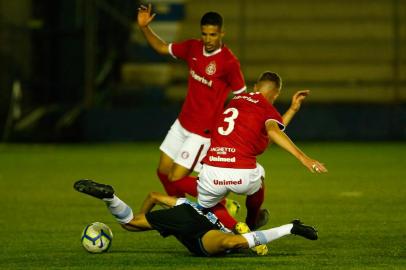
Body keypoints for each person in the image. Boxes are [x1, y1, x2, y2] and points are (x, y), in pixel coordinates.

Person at [137, 4, 246, 200]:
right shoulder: (192, 47)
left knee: (175, 177)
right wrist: (145, 27)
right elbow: (162, 47)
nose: (208, 39)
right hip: (182, 123)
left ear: (222, 33)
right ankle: (183, 211)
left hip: (202, 132)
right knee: (163, 172)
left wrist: (235, 131)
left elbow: (241, 97)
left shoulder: (229, 63)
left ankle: (221, 202)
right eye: (204, 34)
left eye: (213, 35)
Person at [197, 71, 328, 230]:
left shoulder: (235, 101)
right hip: (242, 176)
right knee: (259, 175)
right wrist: (303, 158)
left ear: (255, 87)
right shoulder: (266, 109)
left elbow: (267, 138)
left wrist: (292, 109)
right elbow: (273, 131)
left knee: (206, 207)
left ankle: (231, 228)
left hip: (211, 171)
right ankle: (252, 222)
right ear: (277, 94)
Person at [73, 179, 318, 257]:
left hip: (183, 215)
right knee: (231, 243)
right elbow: (244, 239)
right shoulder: (225, 224)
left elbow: (153, 195)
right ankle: (291, 228)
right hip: (200, 232)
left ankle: (110, 198)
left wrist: (149, 218)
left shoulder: (190, 203)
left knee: (128, 224)